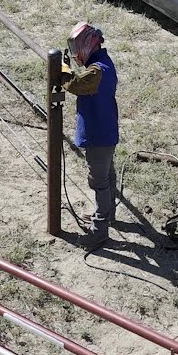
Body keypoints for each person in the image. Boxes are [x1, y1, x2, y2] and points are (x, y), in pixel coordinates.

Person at [62, 22, 118, 236]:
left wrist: (62, 69)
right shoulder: (102, 63)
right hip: (105, 130)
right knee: (107, 175)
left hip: (98, 134)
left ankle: (99, 229)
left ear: (87, 45)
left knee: (99, 181)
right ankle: (108, 215)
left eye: (76, 47)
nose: (76, 53)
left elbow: (75, 84)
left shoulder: (97, 71)